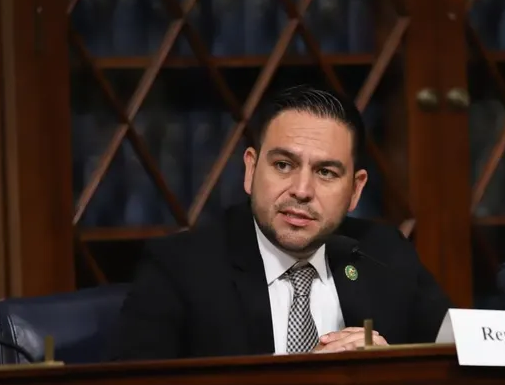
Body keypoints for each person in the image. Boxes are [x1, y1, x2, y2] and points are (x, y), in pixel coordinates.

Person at [105, 84, 452, 361]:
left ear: (355, 190)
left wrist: (391, 372)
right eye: (283, 165)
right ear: (251, 169)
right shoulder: (180, 269)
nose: (301, 191)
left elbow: (457, 359)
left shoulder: (384, 254)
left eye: (326, 172)